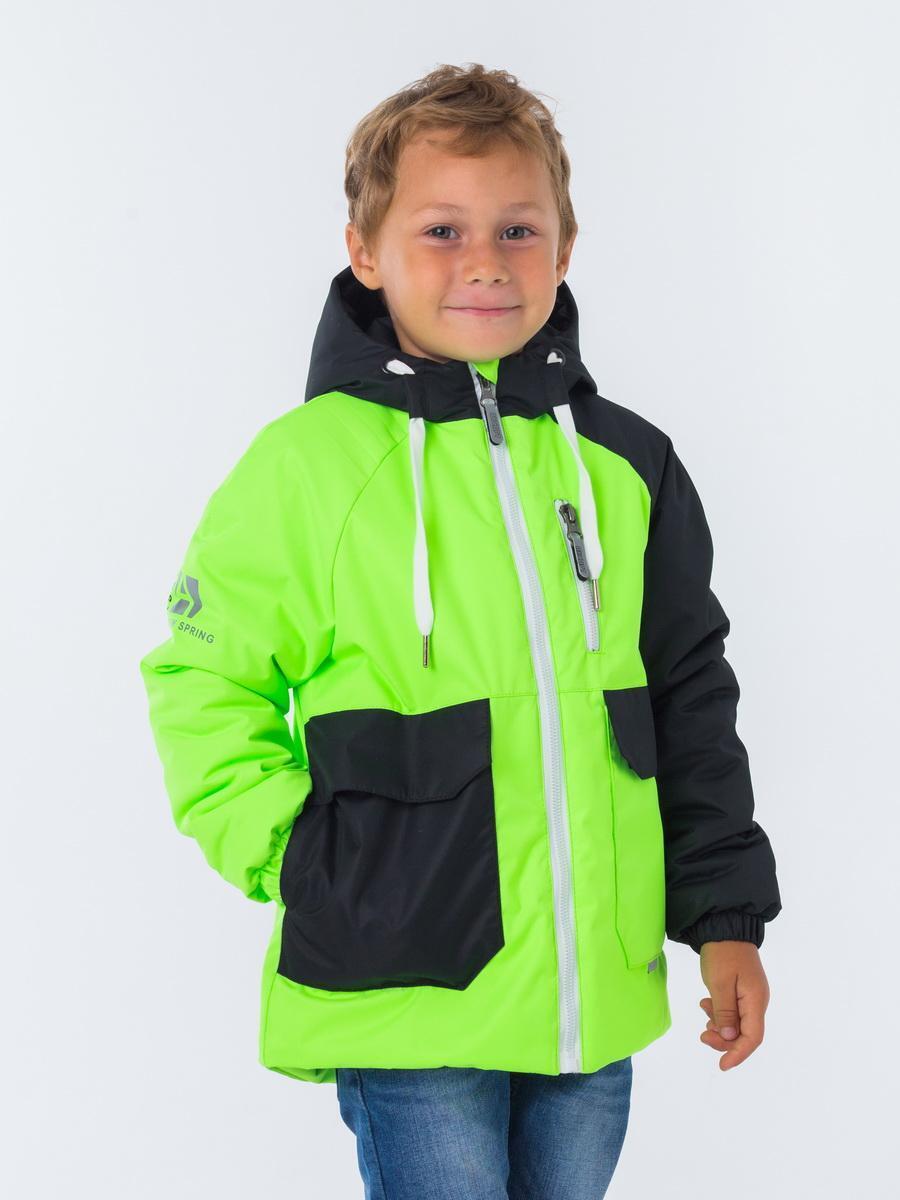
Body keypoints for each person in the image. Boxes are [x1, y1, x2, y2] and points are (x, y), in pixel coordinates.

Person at [139, 62, 782, 1199]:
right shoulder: (306, 466)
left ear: (565, 249)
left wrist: (725, 915)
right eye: (441, 230)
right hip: (403, 987)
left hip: (593, 996)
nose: (484, 261)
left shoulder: (627, 463)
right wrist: (294, 855)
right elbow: (203, 676)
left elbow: (689, 691)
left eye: (518, 230)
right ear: (365, 251)